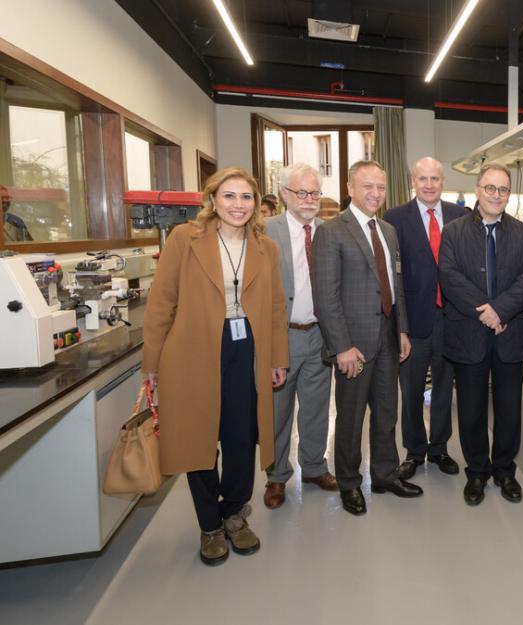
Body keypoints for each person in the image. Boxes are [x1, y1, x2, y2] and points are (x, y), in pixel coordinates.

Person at [142, 167, 289, 565]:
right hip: (191, 350)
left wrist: (278, 358)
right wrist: (151, 363)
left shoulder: (266, 248)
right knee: (198, 439)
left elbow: (276, 308)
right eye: (229, 196)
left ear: (257, 205)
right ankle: (210, 525)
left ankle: (235, 515)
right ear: (212, 200)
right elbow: (161, 303)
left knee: (241, 436)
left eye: (246, 197)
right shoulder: (184, 240)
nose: (238, 205)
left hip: (246, 350)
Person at [311, 160, 420, 517]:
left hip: (388, 337)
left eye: (381, 187)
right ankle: (349, 482)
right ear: (350, 188)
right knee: (351, 417)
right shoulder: (332, 231)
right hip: (353, 344)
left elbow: (395, 284)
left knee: (387, 413)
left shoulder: (387, 230)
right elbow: (326, 295)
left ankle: (386, 474)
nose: (375, 194)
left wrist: (402, 328)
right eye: (367, 186)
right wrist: (341, 346)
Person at [439, 163, 523, 505]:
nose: (496, 195)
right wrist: (486, 310)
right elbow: (449, 276)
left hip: (510, 334)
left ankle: (505, 471)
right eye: (490, 188)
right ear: (478, 190)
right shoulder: (453, 232)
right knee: (471, 411)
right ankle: (477, 473)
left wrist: (501, 310)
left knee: (510, 410)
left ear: (509, 195)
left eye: (503, 190)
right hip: (469, 334)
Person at [384, 157, 467, 479]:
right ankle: (414, 451)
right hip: (413, 322)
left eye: (435, 178)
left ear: (443, 181)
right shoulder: (394, 218)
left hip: (451, 318)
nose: (429, 184)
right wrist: (399, 327)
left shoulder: (461, 216)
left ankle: (440, 448)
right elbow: (394, 277)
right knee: (412, 389)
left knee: (446, 388)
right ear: (412, 182)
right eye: (423, 179)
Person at [261, 163, 337, 510]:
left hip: (319, 335)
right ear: (284, 195)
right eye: (302, 193)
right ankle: (277, 477)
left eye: (315, 193)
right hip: (282, 337)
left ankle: (314, 467)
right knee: (278, 412)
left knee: (317, 408)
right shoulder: (264, 232)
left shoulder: (328, 231)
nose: (309, 200)